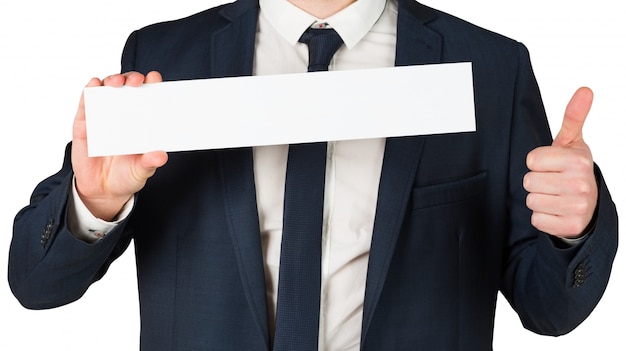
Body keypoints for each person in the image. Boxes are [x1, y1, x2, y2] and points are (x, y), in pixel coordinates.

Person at [8, 0, 618, 350]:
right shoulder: (165, 58)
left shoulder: (488, 65)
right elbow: (36, 286)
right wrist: (93, 200)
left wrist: (574, 229)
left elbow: (549, 309)